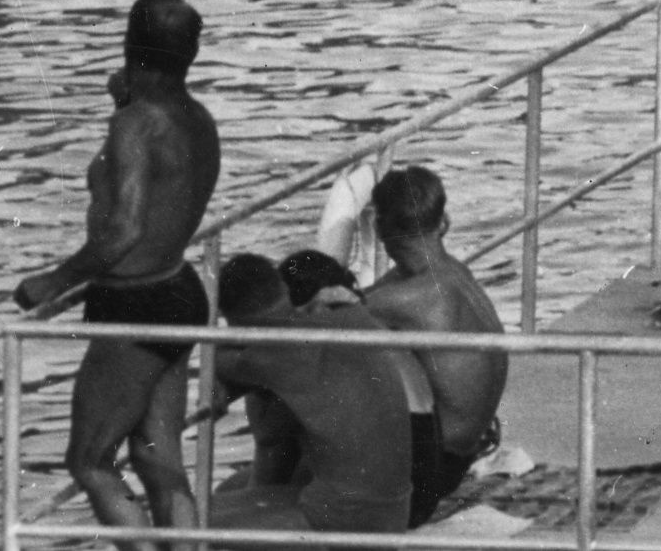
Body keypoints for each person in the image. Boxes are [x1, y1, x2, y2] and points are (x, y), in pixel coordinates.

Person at [10, 0, 223, 538]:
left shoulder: (135, 125)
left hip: (136, 304)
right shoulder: (197, 118)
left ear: (130, 46)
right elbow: (166, 202)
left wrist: (53, 282)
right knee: (158, 459)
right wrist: (125, 101)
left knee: (89, 460)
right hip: (180, 290)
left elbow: (126, 229)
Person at [199, 252, 416, 539]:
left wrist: (220, 378)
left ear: (233, 320)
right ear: (283, 289)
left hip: (345, 520)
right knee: (224, 494)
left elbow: (216, 359)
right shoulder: (350, 315)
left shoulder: (274, 353)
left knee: (194, 521)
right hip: (393, 510)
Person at [357, 165, 507, 526]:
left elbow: (329, 316)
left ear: (379, 228)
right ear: (443, 221)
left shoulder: (413, 298)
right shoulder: (453, 274)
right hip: (463, 451)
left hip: (434, 474)